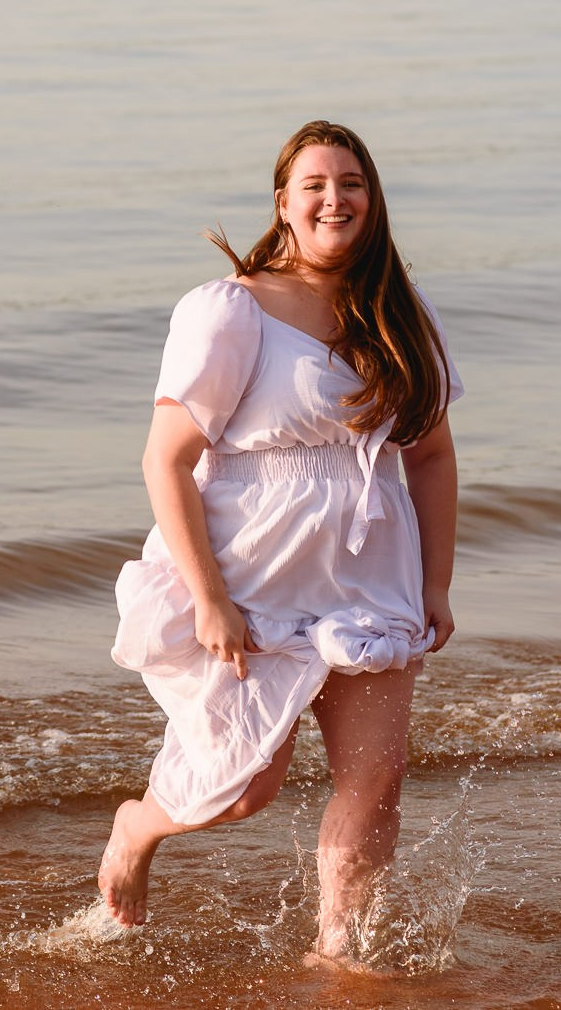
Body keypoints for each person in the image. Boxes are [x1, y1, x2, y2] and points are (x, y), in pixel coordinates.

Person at [98, 119, 462, 965]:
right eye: (317, 184)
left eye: (353, 183)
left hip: (371, 574)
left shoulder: (401, 311)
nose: (336, 198)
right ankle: (139, 825)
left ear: (373, 200)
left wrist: (437, 583)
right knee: (242, 789)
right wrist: (211, 600)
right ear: (286, 205)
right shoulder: (232, 309)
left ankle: (337, 951)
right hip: (255, 571)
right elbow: (167, 461)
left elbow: (433, 455)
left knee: (374, 783)